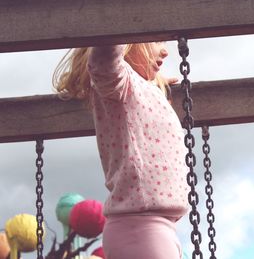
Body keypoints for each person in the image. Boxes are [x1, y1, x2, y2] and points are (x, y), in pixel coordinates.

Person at [53, 42, 189, 259]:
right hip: (140, 227)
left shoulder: (140, 87)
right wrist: (125, 17)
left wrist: (155, 82)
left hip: (156, 228)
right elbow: (105, 57)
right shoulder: (118, 83)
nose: (165, 51)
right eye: (156, 40)